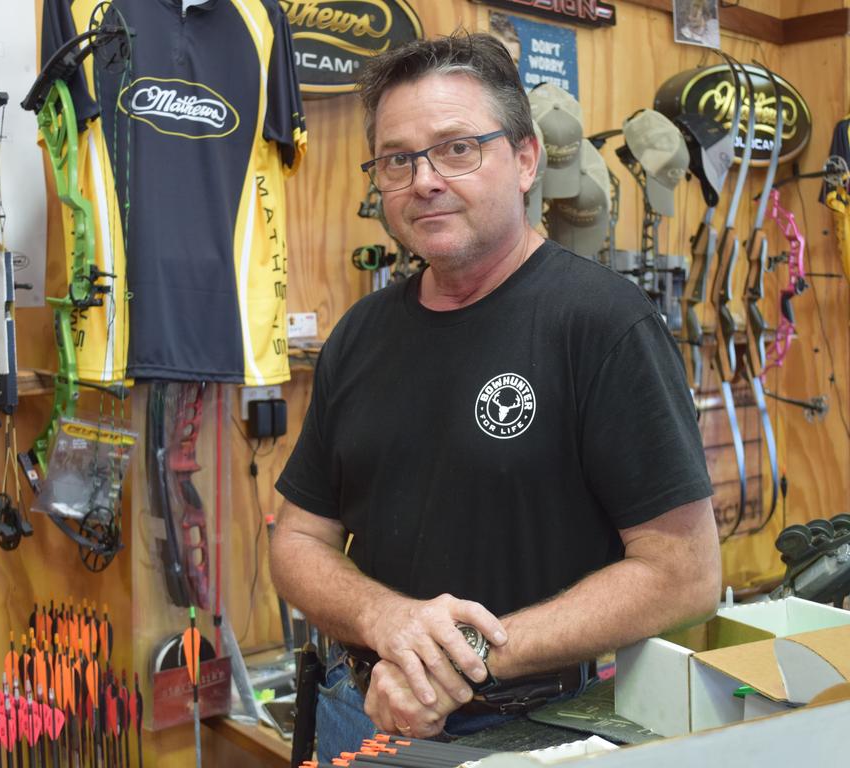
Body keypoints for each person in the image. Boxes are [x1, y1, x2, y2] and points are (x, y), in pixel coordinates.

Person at [270, 32, 721, 761]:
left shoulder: (602, 324)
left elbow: (685, 574)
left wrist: (456, 656)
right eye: (397, 159)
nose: (423, 180)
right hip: (357, 710)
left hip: (536, 729)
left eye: (457, 148)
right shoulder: (361, 333)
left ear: (525, 159)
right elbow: (296, 539)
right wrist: (387, 619)